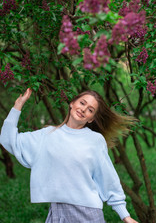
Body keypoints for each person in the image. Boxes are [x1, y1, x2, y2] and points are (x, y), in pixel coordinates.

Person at [0, 88, 139, 223]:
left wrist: (124, 215)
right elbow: (8, 140)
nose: (84, 109)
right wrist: (17, 106)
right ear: (72, 103)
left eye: (90, 110)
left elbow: (108, 178)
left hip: (87, 214)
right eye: (82, 103)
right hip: (57, 212)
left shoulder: (95, 141)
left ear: (91, 119)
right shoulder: (47, 135)